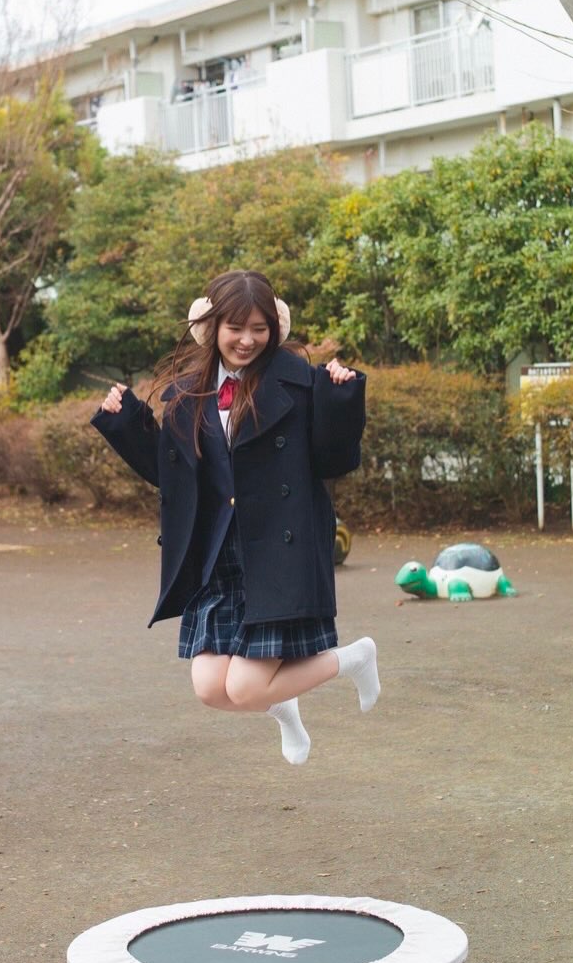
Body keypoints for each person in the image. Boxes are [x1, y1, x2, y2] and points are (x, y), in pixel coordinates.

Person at [92, 269, 378, 765]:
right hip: (218, 558)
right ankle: (283, 703)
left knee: (245, 688)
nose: (247, 340)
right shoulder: (188, 395)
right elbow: (172, 475)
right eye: (236, 327)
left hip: (277, 556)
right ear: (211, 326)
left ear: (275, 328)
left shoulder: (300, 384)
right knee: (209, 687)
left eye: (259, 328)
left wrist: (341, 397)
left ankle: (353, 658)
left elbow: (335, 461)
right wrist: (125, 422)